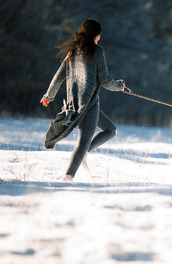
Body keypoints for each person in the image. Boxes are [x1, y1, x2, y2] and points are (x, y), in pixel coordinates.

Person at [41, 18, 125, 181]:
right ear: (95, 34)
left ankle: (84, 155)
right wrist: (120, 86)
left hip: (76, 104)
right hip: (88, 105)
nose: (100, 38)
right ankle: (68, 177)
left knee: (110, 130)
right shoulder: (97, 51)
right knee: (83, 143)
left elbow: (59, 76)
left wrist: (48, 96)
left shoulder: (73, 51)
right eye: (99, 34)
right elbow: (106, 80)